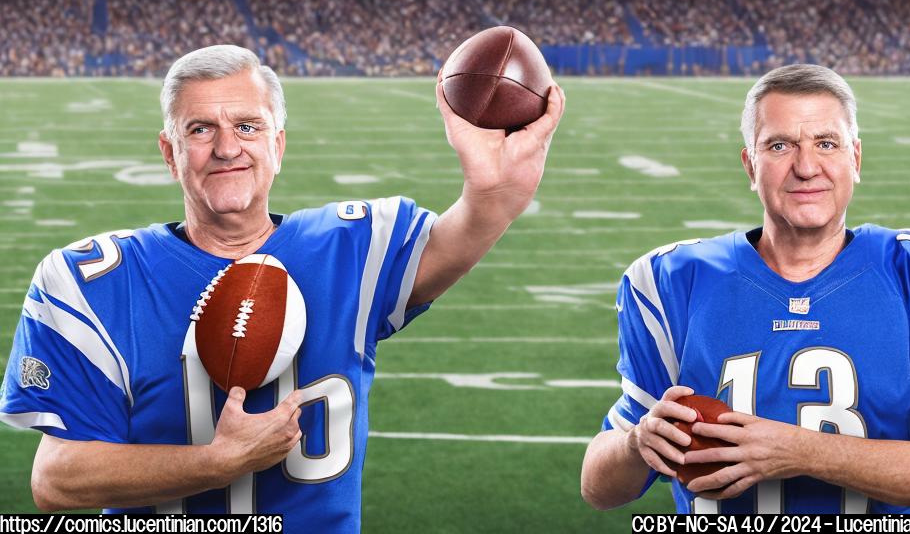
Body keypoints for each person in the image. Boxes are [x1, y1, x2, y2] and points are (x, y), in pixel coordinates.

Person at [0, 45, 564, 529]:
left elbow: (453, 241)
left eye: (248, 126)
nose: (227, 148)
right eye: (201, 130)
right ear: (170, 154)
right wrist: (215, 463)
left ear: (279, 145)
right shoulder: (90, 280)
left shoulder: (352, 246)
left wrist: (495, 195)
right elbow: (56, 483)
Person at [580, 64, 910, 514]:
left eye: (826, 143)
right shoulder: (671, 279)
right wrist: (636, 443)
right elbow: (599, 486)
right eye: (780, 145)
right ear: (751, 165)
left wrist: (798, 451)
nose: (806, 167)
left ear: (856, 158)